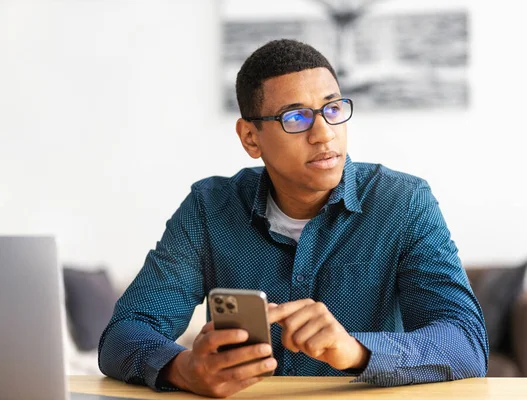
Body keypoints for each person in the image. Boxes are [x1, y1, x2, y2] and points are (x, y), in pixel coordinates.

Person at [99, 39, 488, 398]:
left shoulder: (403, 203)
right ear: (251, 138)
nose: (324, 134)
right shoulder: (208, 208)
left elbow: (466, 342)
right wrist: (185, 368)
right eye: (296, 118)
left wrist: (356, 350)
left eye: (332, 109)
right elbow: (124, 334)